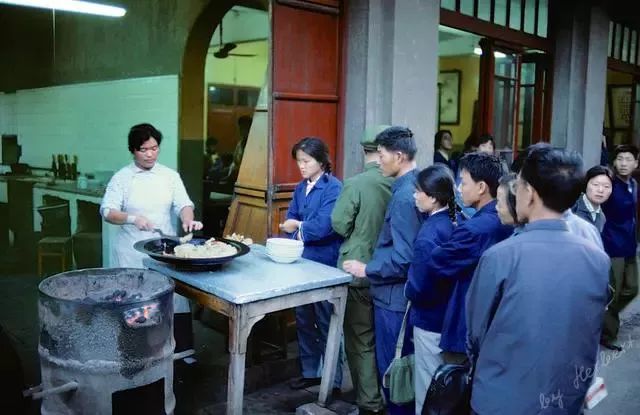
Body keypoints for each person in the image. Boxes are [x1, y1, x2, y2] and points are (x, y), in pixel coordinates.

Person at [466, 144, 610, 414]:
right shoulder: (597, 257)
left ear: (529, 193)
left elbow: (475, 334)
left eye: (518, 185)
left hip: (503, 399)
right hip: (566, 398)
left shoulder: (501, 257)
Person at [100, 123, 203, 355]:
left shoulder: (169, 175)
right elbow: (107, 212)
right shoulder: (122, 178)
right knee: (136, 302)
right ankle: (136, 353)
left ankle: (182, 351)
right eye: (143, 149)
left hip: (162, 248)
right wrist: (133, 218)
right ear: (133, 150)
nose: (149, 154)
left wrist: (187, 219)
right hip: (131, 252)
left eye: (154, 148)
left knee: (174, 297)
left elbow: (184, 204)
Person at [343, 126, 423, 415]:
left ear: (399, 156)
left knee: (393, 376)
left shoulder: (403, 197)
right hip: (401, 295)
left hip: (392, 298)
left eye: (381, 155)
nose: (378, 161)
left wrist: (367, 268)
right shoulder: (414, 184)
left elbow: (404, 257)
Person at [424, 152, 512, 364]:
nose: (458, 188)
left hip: (465, 326)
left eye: (463, 182)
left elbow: (437, 261)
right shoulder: (506, 220)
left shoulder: (475, 228)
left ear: (481, 187)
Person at [330, 125, 392, 415]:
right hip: (390, 271)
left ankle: (369, 403)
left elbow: (339, 224)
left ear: (365, 151)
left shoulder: (356, 183)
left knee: (359, 339)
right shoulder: (404, 182)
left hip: (358, 270)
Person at [280, 137, 344, 392]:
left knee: (327, 320)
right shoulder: (300, 187)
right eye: (298, 162)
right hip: (301, 261)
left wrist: (297, 227)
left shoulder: (334, 188)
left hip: (324, 262)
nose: (302, 166)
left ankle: (333, 379)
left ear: (321, 160)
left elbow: (324, 227)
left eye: (306, 161)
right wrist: (297, 226)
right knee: (304, 318)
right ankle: (310, 372)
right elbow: (290, 217)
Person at [403, 164, 456, 414]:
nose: (414, 196)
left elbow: (420, 287)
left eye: (418, 191)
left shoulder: (429, 234)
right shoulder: (454, 222)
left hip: (429, 319)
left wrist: (409, 290)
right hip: (449, 317)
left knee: (427, 385)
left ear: (433, 197)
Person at [601, 144, 639, 350]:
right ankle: (607, 333)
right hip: (613, 244)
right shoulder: (610, 185)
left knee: (632, 288)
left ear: (636, 163)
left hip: (630, 244)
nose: (623, 163)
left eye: (628, 159)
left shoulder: (633, 183)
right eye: (620, 159)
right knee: (613, 292)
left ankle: (607, 314)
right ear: (614, 162)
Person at [572, 165, 614, 233]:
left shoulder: (602, 217)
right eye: (595, 184)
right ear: (586, 184)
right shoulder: (572, 207)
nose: (600, 190)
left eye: (606, 186)